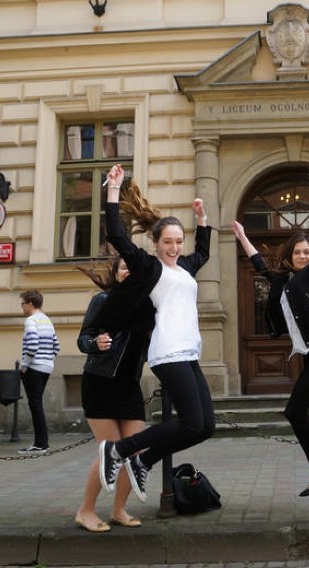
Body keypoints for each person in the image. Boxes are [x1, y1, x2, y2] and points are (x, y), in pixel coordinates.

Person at [97, 163, 215, 504]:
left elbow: (204, 253)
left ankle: (141, 461)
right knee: (191, 423)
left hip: (189, 352)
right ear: (156, 242)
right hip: (167, 352)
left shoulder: (185, 268)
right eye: (168, 242)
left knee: (206, 427)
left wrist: (202, 219)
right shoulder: (149, 267)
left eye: (179, 241)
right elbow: (117, 237)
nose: (175, 247)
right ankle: (118, 450)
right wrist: (113, 191)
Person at [232, 188, 309, 497]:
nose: (304, 256)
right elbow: (259, 265)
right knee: (296, 412)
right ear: (290, 257)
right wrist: (242, 236)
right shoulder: (284, 281)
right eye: (298, 252)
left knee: (295, 411)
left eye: (308, 252)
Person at [73, 256, 150, 532]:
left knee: (137, 449)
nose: (129, 271)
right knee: (112, 451)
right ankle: (86, 510)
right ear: (116, 273)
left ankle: (118, 509)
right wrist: (95, 343)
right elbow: (83, 338)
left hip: (129, 385)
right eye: (124, 267)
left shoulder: (147, 305)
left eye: (133, 267)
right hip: (100, 382)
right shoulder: (103, 301)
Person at [18, 289, 61, 456]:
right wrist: (48, 360)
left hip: (34, 367)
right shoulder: (47, 320)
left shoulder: (31, 320)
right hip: (46, 367)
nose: (22, 308)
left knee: (35, 406)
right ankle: (42, 443)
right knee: (37, 405)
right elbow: (56, 346)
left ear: (30, 303)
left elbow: (32, 344)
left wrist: (24, 365)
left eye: (22, 304)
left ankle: (40, 444)